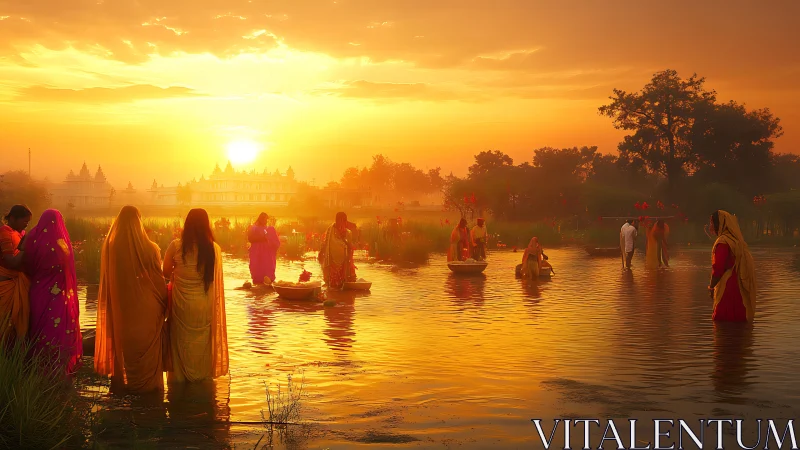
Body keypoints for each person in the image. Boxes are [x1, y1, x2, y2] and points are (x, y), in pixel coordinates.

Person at [94, 206, 169, 393]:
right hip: (146, 307)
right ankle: (148, 390)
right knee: (147, 348)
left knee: (124, 346)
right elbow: (157, 280)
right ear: (139, 222)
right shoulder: (150, 248)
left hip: (121, 307)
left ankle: (123, 387)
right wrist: (165, 302)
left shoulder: (111, 247)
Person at [163, 208, 228, 382]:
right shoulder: (214, 249)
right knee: (202, 344)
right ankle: (201, 379)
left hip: (182, 304)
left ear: (188, 224)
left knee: (180, 342)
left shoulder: (176, 246)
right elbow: (214, 277)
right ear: (206, 225)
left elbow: (165, 271)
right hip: (204, 303)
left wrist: (180, 272)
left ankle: (180, 381)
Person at [24, 209, 82, 375]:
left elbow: (26, 264)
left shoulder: (33, 239)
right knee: (57, 328)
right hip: (59, 296)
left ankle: (37, 367)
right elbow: (69, 271)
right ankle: (59, 368)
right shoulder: (63, 243)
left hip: (38, 292)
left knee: (39, 327)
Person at [708, 210, 756, 322]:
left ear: (720, 224)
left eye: (712, 223)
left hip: (727, 288)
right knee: (738, 324)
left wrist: (711, 287)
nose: (711, 226)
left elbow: (718, 269)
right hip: (740, 285)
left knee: (723, 322)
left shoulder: (723, 242)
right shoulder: (737, 241)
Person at [0, 205, 32, 343]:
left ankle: (17, 359)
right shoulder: (4, 233)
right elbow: (11, 262)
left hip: (19, 282)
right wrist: (24, 249)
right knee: (5, 326)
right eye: (24, 221)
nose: (26, 224)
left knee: (18, 328)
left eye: (28, 222)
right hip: (6, 284)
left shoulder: (21, 234)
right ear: (12, 218)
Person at [319, 212, 357, 288]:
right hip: (332, 259)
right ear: (336, 220)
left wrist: (350, 258)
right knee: (332, 284)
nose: (341, 223)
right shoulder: (330, 230)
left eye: (343, 220)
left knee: (345, 280)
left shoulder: (348, 233)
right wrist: (321, 252)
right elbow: (326, 243)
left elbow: (349, 246)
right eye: (340, 220)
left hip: (344, 259)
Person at [248, 212, 280, 285]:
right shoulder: (253, 228)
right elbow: (250, 239)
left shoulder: (269, 229)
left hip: (267, 251)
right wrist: (263, 238)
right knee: (257, 266)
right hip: (256, 251)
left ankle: (268, 279)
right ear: (260, 219)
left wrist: (268, 238)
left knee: (268, 265)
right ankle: (258, 281)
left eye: (266, 219)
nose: (265, 221)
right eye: (263, 219)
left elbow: (275, 242)